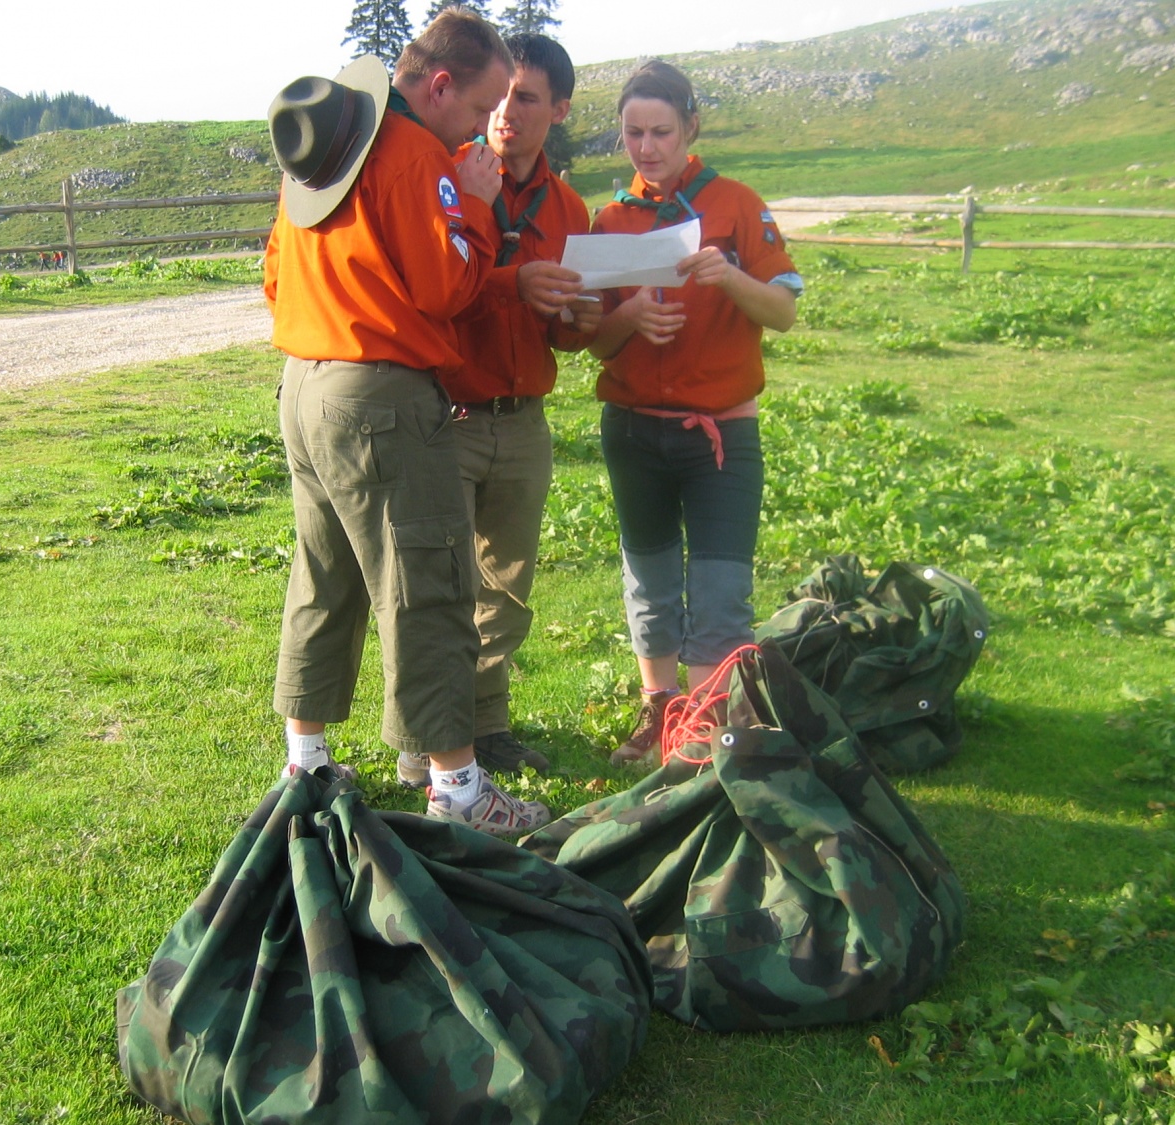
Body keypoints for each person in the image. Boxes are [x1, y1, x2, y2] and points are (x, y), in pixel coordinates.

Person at [261, 10, 550, 834]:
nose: (481, 131)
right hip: (382, 399)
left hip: (305, 383)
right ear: (441, 85)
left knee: (324, 572)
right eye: (476, 108)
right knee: (427, 583)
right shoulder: (418, 155)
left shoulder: (324, 157)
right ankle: (458, 786)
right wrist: (479, 208)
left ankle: (305, 759)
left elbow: (276, 279)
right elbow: (446, 289)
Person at [586, 60, 804, 767]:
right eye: (632, 133)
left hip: (722, 435)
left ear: (691, 129)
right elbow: (593, 341)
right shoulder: (613, 220)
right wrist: (629, 318)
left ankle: (708, 724)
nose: (646, 147)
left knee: (720, 591)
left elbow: (786, 312)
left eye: (660, 131)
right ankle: (659, 711)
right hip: (633, 430)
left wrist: (729, 274)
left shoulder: (738, 204)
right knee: (648, 580)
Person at [420, 33, 598, 786]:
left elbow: (570, 333)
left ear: (558, 110)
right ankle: (433, 737)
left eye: (524, 100)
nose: (504, 115)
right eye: (496, 100)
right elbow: (433, 293)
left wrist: (583, 312)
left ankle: (485, 726)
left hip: (525, 419)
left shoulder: (569, 208)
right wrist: (512, 279)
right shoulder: (449, 180)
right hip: (451, 412)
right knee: (440, 587)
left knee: (507, 588)